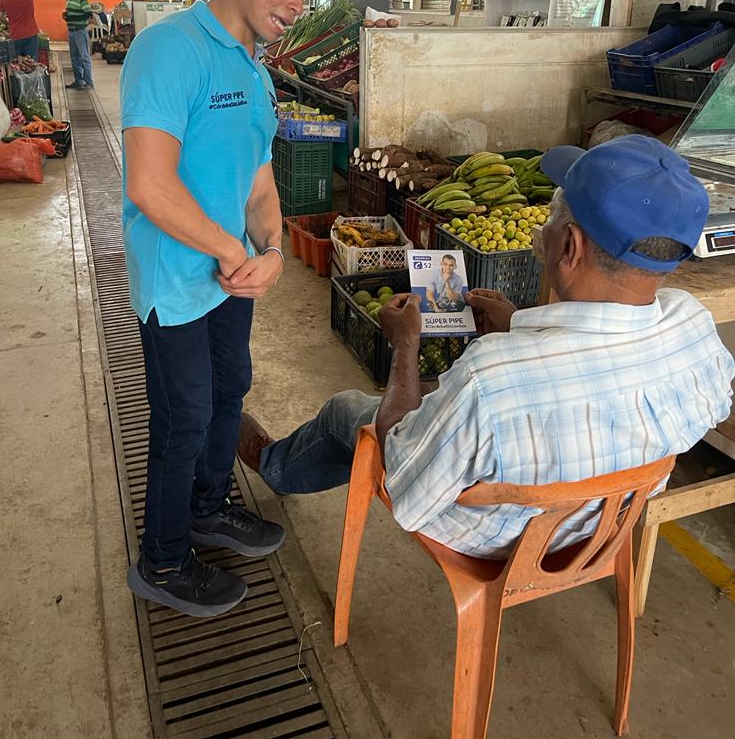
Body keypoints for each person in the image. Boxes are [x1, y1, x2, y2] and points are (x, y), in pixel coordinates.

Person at [237, 136, 734, 559]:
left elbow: (405, 478)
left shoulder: (491, 378)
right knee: (440, 396)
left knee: (347, 408)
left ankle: (275, 465)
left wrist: (405, 347)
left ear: (571, 247)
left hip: (499, 539)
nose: (544, 225)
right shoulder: (692, 323)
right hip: (597, 532)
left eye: (552, 216)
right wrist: (519, 322)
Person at [121, 0, 316, 617]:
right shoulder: (169, 50)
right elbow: (150, 183)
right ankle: (163, 560)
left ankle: (208, 507)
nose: (295, 3)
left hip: (231, 277)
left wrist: (273, 250)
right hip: (177, 281)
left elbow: (259, 178)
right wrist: (236, 251)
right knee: (184, 416)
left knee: (231, 387)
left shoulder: (254, 69)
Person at [57, 0, 94, 90]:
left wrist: (75, 19)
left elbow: (88, 14)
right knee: (74, 58)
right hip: (71, 31)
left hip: (79, 31)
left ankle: (88, 82)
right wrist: (67, 16)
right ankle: (79, 81)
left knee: (84, 57)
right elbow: (73, 14)